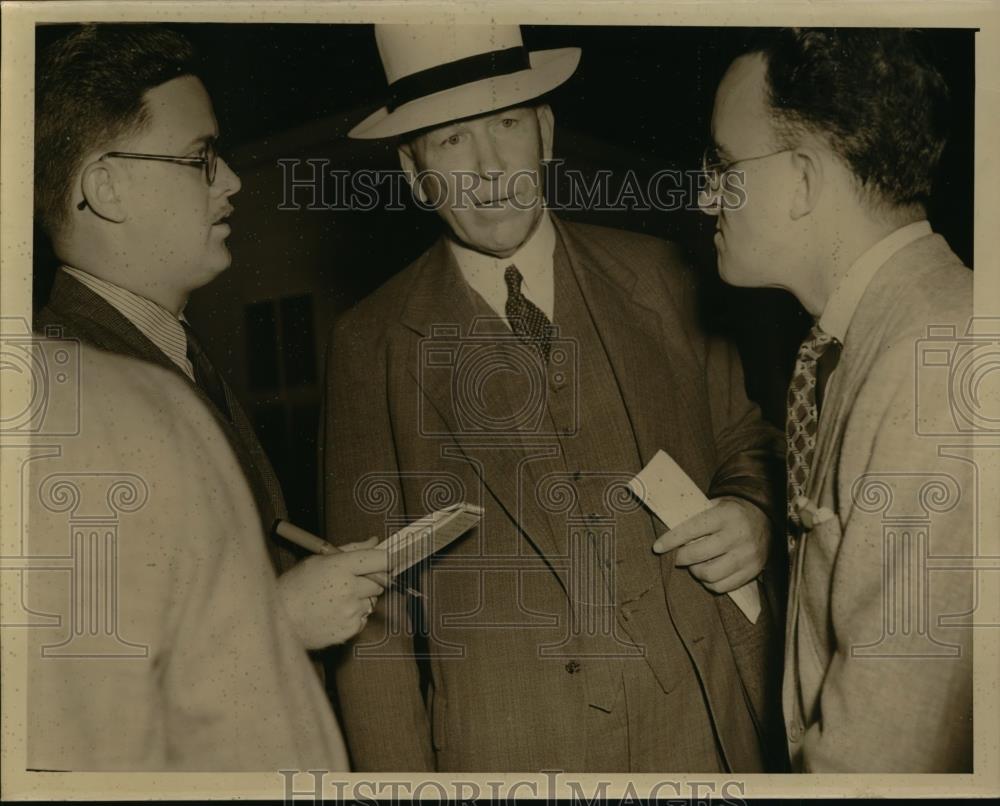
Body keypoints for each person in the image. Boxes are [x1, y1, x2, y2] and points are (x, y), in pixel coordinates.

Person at [322, 23, 786, 772]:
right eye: (450, 141)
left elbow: (749, 444)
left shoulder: (667, 276)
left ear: (544, 131)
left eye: (507, 123)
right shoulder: (368, 344)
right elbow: (370, 618)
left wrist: (754, 516)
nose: (491, 167)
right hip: (510, 753)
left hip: (707, 725)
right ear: (413, 173)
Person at [31, 24, 380, 652]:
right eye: (200, 159)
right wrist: (278, 621)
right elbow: (71, 666)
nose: (231, 183)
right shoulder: (56, 388)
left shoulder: (164, 351)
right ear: (106, 187)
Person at [701, 29, 974, 772]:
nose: (703, 195)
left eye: (722, 167)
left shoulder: (935, 362)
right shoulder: (876, 335)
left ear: (802, 182)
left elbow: (886, 752)